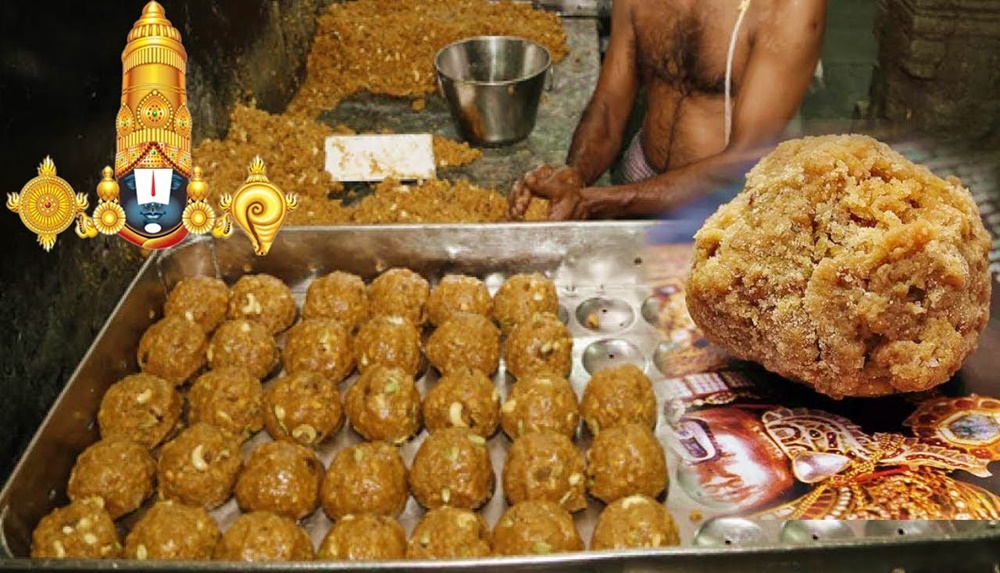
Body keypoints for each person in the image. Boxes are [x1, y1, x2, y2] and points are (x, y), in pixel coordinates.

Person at [509, 0, 827, 222]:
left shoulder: (787, 6)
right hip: (639, 173)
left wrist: (601, 201)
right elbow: (608, 106)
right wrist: (573, 177)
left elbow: (744, 161)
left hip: (729, 207)